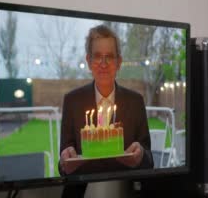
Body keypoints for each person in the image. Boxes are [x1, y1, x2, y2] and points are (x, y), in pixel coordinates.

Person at [59, 25, 153, 175]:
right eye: (97, 56)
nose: (103, 64)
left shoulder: (135, 102)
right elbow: (63, 165)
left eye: (109, 56)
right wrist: (65, 163)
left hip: (125, 189)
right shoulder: (72, 101)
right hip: (84, 192)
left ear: (119, 62)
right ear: (88, 61)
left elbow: (149, 160)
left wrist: (141, 155)